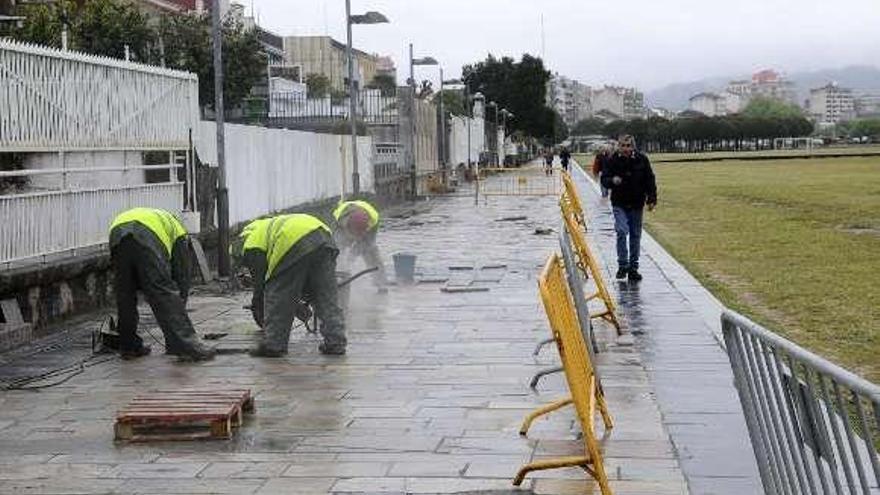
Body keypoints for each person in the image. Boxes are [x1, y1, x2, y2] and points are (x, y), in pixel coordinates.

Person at [108, 207, 215, 361]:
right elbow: (181, 277)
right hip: (145, 234)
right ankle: (188, 346)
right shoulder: (179, 232)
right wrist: (179, 306)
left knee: (125, 293)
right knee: (163, 290)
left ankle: (128, 346)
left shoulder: (160, 219)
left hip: (117, 232)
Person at [237, 213, 346, 357]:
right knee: (325, 296)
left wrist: (258, 301)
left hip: (293, 240)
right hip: (323, 236)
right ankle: (335, 342)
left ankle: (274, 345)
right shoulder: (264, 228)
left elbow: (264, 283)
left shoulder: (250, 244)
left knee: (277, 292)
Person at [601, 135, 657, 282]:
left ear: (633, 146)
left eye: (628, 145)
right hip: (619, 203)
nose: (625, 148)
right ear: (618, 146)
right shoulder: (612, 160)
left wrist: (652, 198)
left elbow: (649, 179)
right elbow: (604, 179)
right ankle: (622, 265)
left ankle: (633, 268)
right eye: (623, 145)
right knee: (621, 230)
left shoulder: (642, 159)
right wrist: (612, 181)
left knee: (635, 235)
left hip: (637, 203)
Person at [332, 200, 387, 291]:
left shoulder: (373, 220)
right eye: (357, 233)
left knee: (372, 253)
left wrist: (352, 257)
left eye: (361, 234)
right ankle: (335, 278)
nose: (358, 237)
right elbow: (335, 244)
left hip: (364, 228)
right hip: (344, 228)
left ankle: (381, 284)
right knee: (337, 251)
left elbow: (367, 244)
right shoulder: (339, 221)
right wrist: (342, 264)